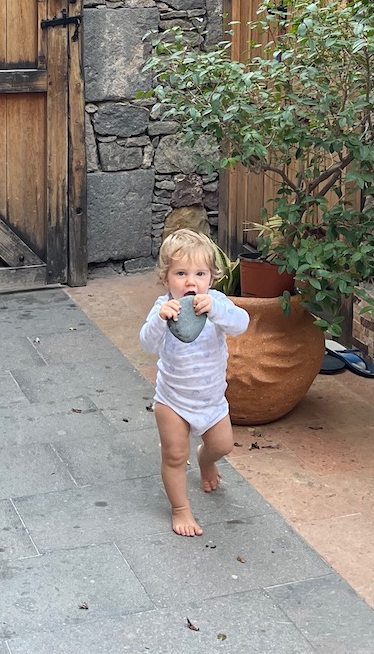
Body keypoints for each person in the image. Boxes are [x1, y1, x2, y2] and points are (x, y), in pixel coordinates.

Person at [139, 228, 249, 536]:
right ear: (166, 278)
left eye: (200, 273)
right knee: (175, 455)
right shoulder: (164, 308)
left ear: (212, 279)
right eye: (181, 273)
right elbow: (146, 344)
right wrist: (160, 320)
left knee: (223, 445)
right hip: (172, 400)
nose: (191, 281)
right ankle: (180, 508)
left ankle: (206, 459)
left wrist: (216, 310)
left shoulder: (216, 302)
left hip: (212, 401)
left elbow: (242, 325)